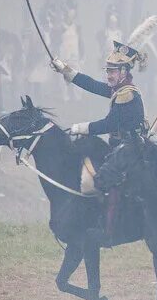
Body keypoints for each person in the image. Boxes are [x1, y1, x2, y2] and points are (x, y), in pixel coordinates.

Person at [51, 40, 147, 246]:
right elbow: (93, 85)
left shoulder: (127, 93)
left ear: (124, 71)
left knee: (109, 179)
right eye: (108, 70)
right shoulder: (119, 89)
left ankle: (109, 230)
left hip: (129, 150)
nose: (109, 75)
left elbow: (110, 124)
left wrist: (81, 127)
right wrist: (65, 70)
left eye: (113, 71)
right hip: (119, 148)